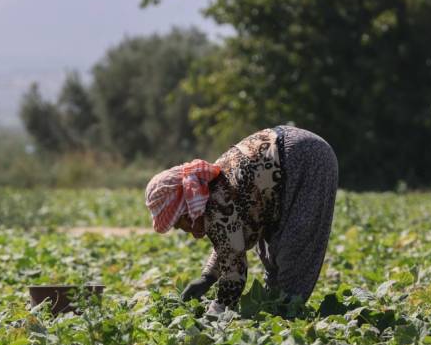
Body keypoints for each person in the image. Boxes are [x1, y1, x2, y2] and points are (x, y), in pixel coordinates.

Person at [144, 126, 338, 310]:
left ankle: (288, 313)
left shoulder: (216, 203)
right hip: (290, 154)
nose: (182, 229)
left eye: (178, 222)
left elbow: (235, 276)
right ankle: (281, 310)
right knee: (273, 259)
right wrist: (208, 277)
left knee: (294, 249)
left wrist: (216, 314)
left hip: (307, 160)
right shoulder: (210, 186)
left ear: (186, 207)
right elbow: (230, 241)